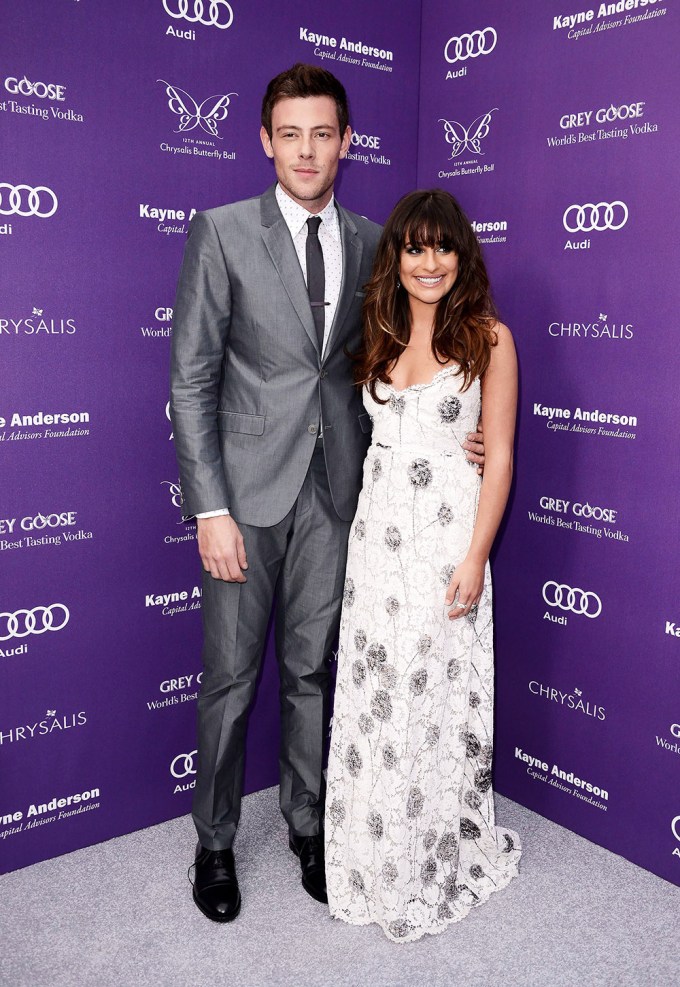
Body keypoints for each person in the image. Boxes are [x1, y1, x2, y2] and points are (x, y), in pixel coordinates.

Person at [170, 65, 486, 923]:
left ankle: (312, 825)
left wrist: (473, 427)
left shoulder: (378, 239)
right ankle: (216, 841)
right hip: (242, 499)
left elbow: (404, 361)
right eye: (291, 134)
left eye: (324, 134)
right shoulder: (222, 232)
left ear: (348, 142)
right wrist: (209, 507)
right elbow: (192, 380)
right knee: (231, 679)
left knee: (312, 670)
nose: (308, 150)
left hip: (339, 495)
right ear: (266, 140)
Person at [325, 189, 521, 943]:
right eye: (415, 248)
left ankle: (429, 852)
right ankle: (373, 846)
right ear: (396, 258)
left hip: (444, 546)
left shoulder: (489, 340)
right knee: (377, 692)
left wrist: (475, 553)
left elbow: (497, 454)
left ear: (461, 255)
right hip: (376, 547)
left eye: (443, 247)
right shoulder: (376, 334)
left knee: (433, 694)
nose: (429, 262)